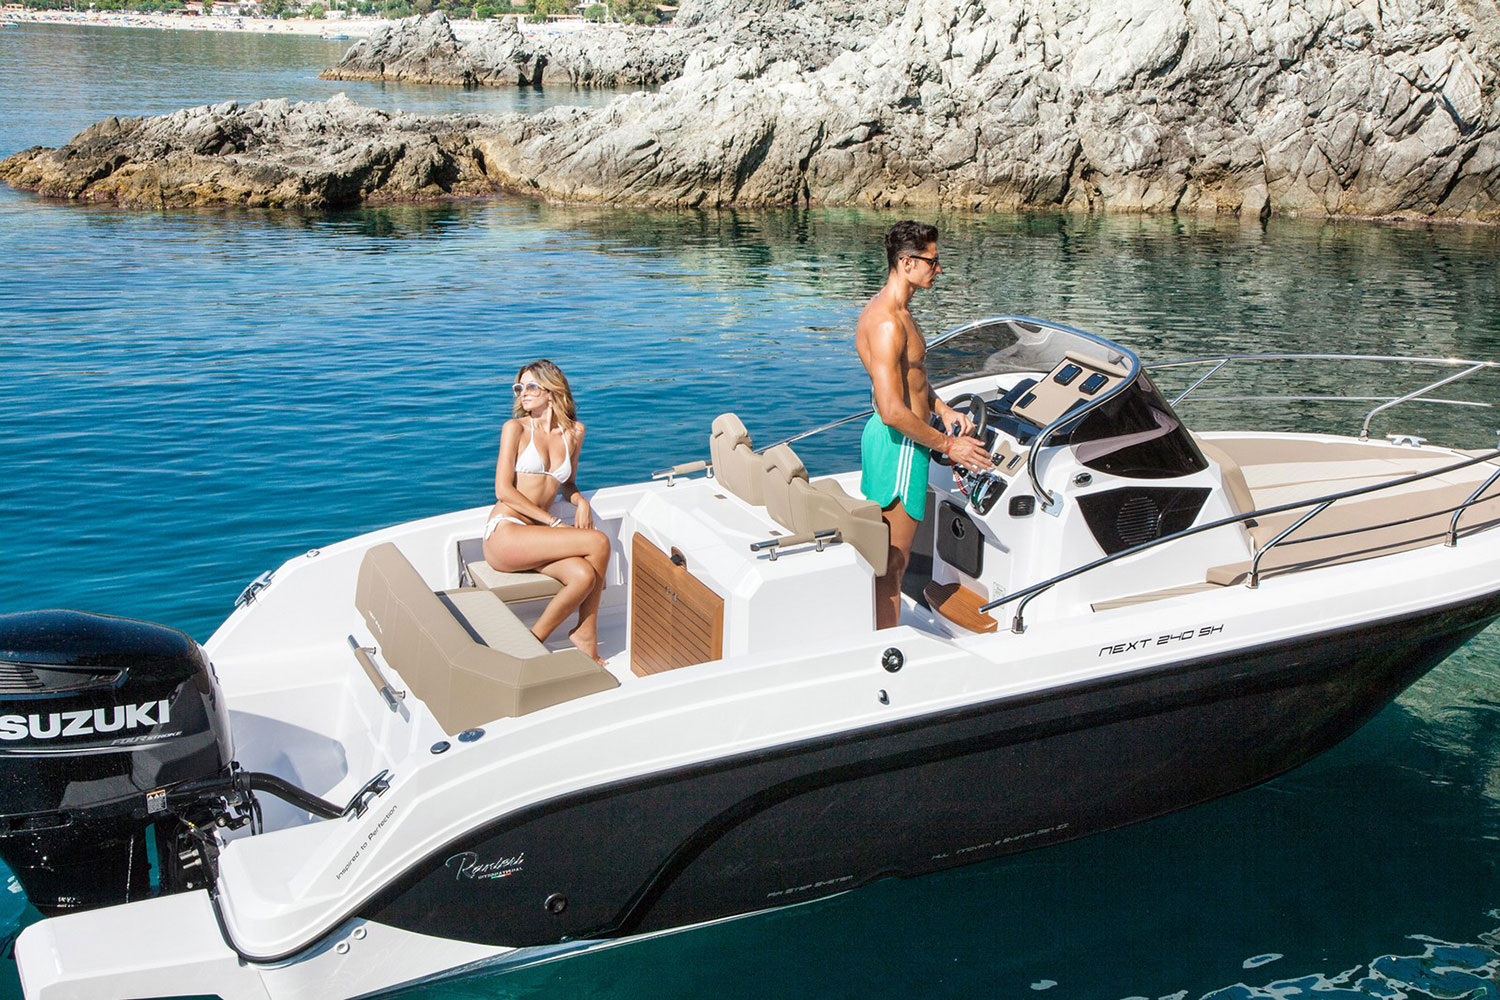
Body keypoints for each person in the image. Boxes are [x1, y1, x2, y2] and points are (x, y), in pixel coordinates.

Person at [856, 220, 993, 629]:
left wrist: (943, 409)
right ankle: (885, 651)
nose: (939, 269)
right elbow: (892, 410)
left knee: (888, 562)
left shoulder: (899, 312)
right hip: (899, 448)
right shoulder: (887, 322)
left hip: (902, 443)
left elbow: (912, 379)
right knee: (891, 566)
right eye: (932, 261)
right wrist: (950, 446)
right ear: (906, 262)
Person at [482, 360, 611, 665]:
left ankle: (532, 642)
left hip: (536, 537)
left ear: (552, 391)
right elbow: (503, 490)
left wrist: (581, 502)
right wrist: (554, 522)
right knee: (598, 542)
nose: (522, 393)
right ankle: (587, 633)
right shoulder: (515, 428)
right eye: (519, 387)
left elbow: (567, 484)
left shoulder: (574, 433)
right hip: (506, 531)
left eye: (531, 386)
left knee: (583, 576)